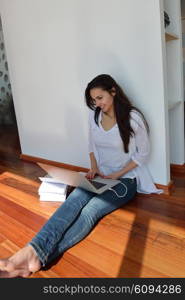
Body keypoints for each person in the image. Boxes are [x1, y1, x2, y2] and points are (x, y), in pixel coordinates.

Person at [0, 74, 162, 278]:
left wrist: (116, 174)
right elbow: (92, 145)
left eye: (100, 97)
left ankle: (35, 258)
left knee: (90, 211)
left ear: (113, 91)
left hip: (125, 181)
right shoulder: (95, 115)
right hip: (100, 176)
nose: (97, 103)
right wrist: (93, 168)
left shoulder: (133, 118)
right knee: (73, 201)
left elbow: (143, 154)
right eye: (94, 100)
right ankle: (30, 253)